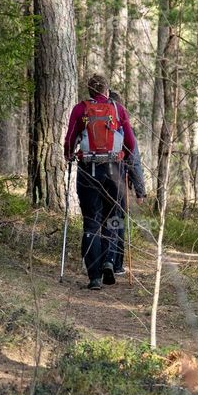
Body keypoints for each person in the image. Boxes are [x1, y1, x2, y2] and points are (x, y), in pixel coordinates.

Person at [64, 74, 146, 290]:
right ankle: (110, 260)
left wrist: (69, 154)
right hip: (114, 172)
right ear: (106, 90)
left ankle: (94, 277)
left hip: (89, 171)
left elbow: (70, 137)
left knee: (91, 221)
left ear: (90, 91)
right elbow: (129, 142)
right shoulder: (118, 110)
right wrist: (135, 179)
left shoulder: (80, 109)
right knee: (113, 218)